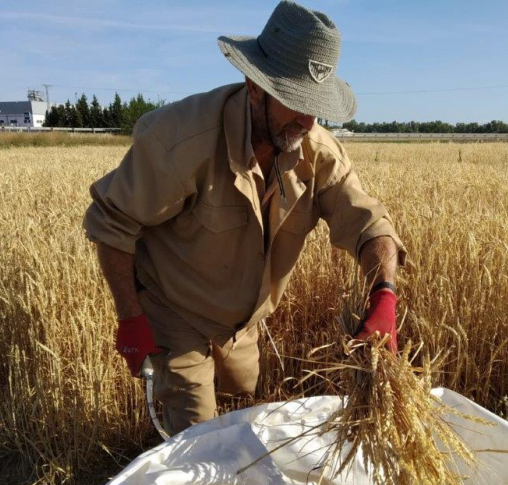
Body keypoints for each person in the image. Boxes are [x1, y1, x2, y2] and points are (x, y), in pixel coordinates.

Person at [84, 0, 406, 436]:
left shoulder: (317, 150)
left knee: (243, 417)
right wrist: (130, 318)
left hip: (244, 321)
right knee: (199, 438)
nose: (307, 119)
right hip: (174, 312)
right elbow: (111, 222)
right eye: (295, 101)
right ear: (255, 87)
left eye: (316, 105)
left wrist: (384, 295)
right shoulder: (180, 141)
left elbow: (369, 225)